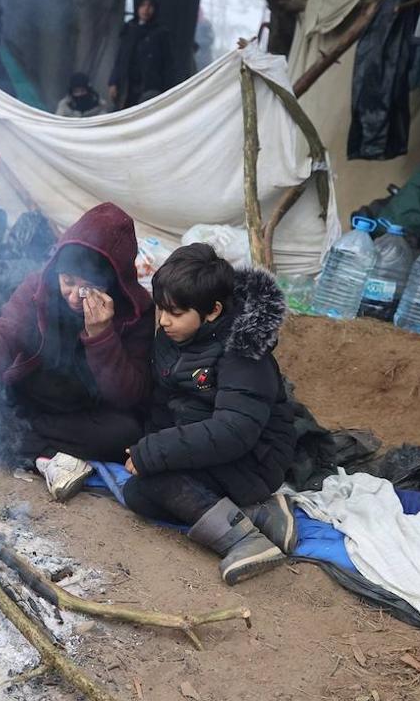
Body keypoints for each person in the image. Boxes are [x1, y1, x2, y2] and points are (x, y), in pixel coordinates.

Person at [0, 202, 153, 500]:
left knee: (126, 434)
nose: (73, 295)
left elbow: (129, 394)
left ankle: (29, 449)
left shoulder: (136, 310)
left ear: (112, 284)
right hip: (33, 396)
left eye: (86, 288)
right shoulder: (39, 287)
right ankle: (49, 458)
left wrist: (102, 336)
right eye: (68, 282)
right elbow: (4, 334)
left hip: (87, 413)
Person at [121, 244, 297, 585]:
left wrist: (157, 451)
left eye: (176, 312)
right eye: (161, 309)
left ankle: (247, 541)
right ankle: (258, 512)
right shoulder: (173, 337)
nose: (164, 320)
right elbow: (165, 400)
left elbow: (234, 431)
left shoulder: (243, 352)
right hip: (207, 443)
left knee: (155, 481)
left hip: (255, 456)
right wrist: (148, 445)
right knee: (139, 491)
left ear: (213, 311)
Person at [108, 0, 174, 110]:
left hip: (150, 86)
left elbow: (167, 64)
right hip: (127, 86)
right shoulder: (129, 29)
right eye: (143, 5)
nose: (146, 9)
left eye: (150, 6)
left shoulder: (160, 33)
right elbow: (120, 59)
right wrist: (113, 82)